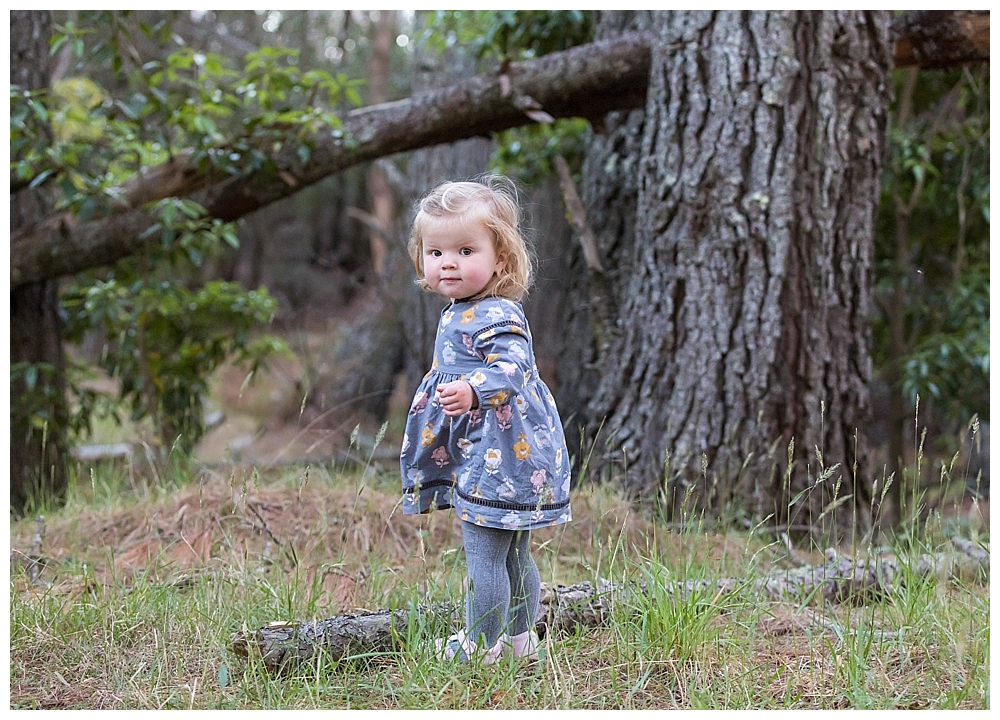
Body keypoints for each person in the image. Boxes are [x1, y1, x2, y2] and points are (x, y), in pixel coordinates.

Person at [399, 175, 572, 664]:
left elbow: (514, 369)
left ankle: (482, 645)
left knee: (486, 555)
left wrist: (475, 389)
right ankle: (519, 642)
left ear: (501, 258)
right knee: (513, 552)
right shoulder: (463, 309)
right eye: (435, 252)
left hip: (501, 455)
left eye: (465, 251)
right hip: (491, 451)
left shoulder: (496, 314)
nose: (448, 262)